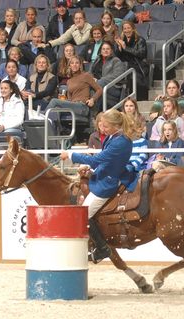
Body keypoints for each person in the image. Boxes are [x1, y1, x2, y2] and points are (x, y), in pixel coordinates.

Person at [59, 109, 135, 262]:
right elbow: (105, 162)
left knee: (82, 215)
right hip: (103, 173)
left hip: (108, 182)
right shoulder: (113, 137)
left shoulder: (121, 141)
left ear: (115, 125)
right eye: (102, 125)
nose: (102, 129)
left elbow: (97, 159)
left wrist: (71, 154)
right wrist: (92, 169)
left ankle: (102, 249)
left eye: (105, 126)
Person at [45, 55, 102, 134]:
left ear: (80, 65)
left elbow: (99, 89)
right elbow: (70, 99)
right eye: (72, 63)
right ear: (69, 66)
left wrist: (93, 99)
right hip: (73, 106)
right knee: (56, 111)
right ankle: (59, 135)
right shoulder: (69, 81)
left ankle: (42, 118)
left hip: (82, 107)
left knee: (54, 101)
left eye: (77, 63)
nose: (74, 65)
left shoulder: (86, 76)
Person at [114, 21, 149, 100]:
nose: (127, 30)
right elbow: (117, 56)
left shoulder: (140, 40)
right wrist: (119, 48)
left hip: (138, 65)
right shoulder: (122, 40)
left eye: (129, 28)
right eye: (125, 29)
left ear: (133, 29)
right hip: (124, 65)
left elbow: (141, 54)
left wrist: (125, 48)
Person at [90, 40, 127, 108]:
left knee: (99, 85)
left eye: (108, 49)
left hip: (113, 87)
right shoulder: (97, 60)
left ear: (111, 51)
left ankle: (93, 114)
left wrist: (99, 81)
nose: (105, 51)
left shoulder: (116, 61)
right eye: (103, 49)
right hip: (98, 86)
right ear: (100, 50)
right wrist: (92, 80)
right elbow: (90, 73)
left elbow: (117, 75)